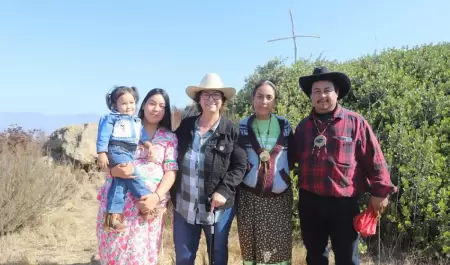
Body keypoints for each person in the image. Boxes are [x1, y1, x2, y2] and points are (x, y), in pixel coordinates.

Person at [293, 66, 397, 265]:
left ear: (337, 93)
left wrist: (380, 192)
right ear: (310, 96)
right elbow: (289, 157)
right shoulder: (303, 127)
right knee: (315, 257)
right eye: (317, 91)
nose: (322, 96)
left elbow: (374, 158)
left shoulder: (355, 122)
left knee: (347, 259)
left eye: (327, 90)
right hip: (310, 203)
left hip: (344, 204)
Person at [171, 73, 247, 265]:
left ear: (223, 100)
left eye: (216, 95)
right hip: (185, 206)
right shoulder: (186, 126)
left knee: (217, 255)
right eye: (206, 94)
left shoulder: (231, 130)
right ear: (199, 99)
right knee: (184, 257)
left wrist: (223, 191)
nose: (211, 99)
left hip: (217, 209)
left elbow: (240, 166)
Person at [96, 88, 179, 265]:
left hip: (148, 207)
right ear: (142, 105)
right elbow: (104, 159)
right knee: (115, 254)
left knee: (141, 256)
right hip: (120, 204)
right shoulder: (123, 126)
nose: (156, 109)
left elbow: (171, 171)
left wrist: (155, 198)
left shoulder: (169, 137)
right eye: (152, 103)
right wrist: (113, 171)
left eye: (162, 106)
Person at [236, 80, 295, 265]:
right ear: (252, 99)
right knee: (251, 249)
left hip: (278, 201)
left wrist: (282, 177)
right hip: (249, 199)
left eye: (269, 97)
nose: (264, 101)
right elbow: (236, 159)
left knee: (278, 251)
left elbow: (292, 157)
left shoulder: (284, 125)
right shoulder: (243, 126)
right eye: (259, 96)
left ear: (275, 101)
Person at [96, 85, 152, 231]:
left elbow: (143, 136)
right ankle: (147, 204)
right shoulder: (112, 118)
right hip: (116, 149)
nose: (128, 106)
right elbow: (103, 135)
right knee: (132, 174)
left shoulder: (136, 121)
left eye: (132, 102)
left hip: (129, 153)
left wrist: (148, 145)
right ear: (115, 105)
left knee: (120, 182)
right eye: (124, 103)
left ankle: (112, 219)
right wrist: (101, 152)